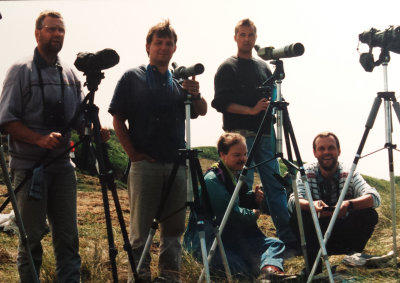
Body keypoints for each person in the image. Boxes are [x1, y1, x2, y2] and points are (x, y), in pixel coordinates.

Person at [109, 20, 207, 283]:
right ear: (147, 47)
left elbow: (201, 111)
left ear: (175, 49)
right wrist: (133, 154)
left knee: (173, 230)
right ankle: (139, 277)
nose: (163, 48)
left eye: (168, 43)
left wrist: (196, 95)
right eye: (158, 43)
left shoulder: (179, 83)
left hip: (176, 165)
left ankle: (169, 277)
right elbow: (117, 119)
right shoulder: (133, 77)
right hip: (146, 165)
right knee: (141, 230)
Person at [0, 10, 84, 283]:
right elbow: (6, 120)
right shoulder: (20, 71)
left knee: (69, 239)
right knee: (31, 238)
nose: (56, 34)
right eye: (50, 29)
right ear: (37, 33)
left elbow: (79, 119)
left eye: (60, 30)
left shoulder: (70, 73)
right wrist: (38, 139)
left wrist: (95, 129)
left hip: (62, 168)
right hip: (30, 168)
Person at [212, 18, 297, 249]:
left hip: (266, 133)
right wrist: (250, 110)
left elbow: (272, 95)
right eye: (242, 34)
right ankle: (244, 238)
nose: (246, 39)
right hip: (241, 135)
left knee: (274, 185)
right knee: (244, 186)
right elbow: (220, 102)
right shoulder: (227, 67)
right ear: (235, 37)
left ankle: (288, 239)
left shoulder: (263, 66)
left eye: (250, 35)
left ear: (255, 38)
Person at [183, 133, 288, 282]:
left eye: (245, 154)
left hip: (230, 238)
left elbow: (237, 200)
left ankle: (269, 272)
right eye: (237, 155)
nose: (243, 159)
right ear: (222, 154)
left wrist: (252, 198)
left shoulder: (233, 175)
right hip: (209, 242)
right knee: (240, 269)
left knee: (275, 244)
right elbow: (230, 215)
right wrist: (253, 214)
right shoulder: (212, 180)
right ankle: (261, 272)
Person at [287, 131, 381, 273]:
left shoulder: (349, 172)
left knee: (369, 214)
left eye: (331, 148)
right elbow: (294, 200)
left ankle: (352, 257)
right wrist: (312, 206)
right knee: (299, 215)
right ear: (314, 152)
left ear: (339, 151)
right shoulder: (305, 172)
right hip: (315, 233)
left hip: (342, 231)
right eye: (322, 148)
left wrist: (348, 205)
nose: (327, 152)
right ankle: (313, 265)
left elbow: (374, 197)